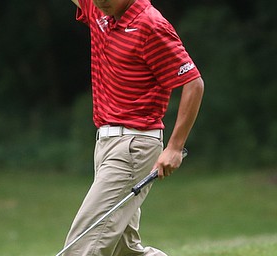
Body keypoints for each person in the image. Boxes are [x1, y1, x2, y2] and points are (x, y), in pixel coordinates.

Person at [62, 0, 204, 255]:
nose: (100, 2)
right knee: (124, 251)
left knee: (81, 246)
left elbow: (193, 83)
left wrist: (174, 147)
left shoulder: (151, 25)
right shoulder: (100, 10)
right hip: (105, 144)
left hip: (133, 146)